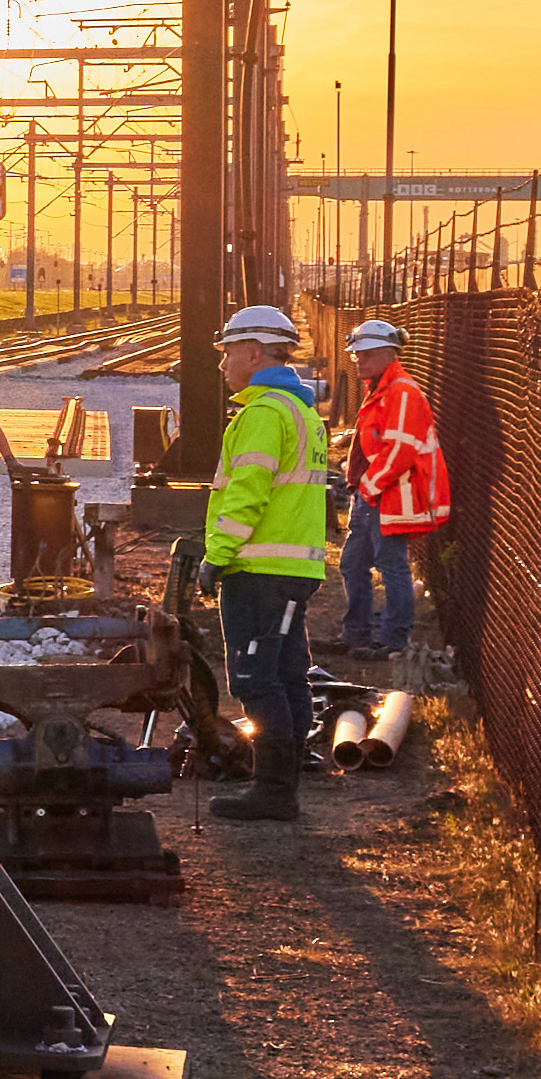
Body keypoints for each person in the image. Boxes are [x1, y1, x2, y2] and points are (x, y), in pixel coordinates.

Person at [204, 301, 337, 822]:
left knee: (256, 679)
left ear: (255, 353)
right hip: (294, 569)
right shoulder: (303, 413)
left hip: (259, 572)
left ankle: (274, 793)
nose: (222, 363)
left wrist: (216, 556)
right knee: (288, 677)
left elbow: (247, 494)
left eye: (228, 352)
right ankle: (283, 787)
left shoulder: (263, 414)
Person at [334, 315, 448, 663]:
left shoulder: (401, 392)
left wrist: (369, 487)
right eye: (357, 355)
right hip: (375, 493)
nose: (359, 361)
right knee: (353, 564)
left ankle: (392, 640)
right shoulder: (383, 388)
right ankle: (357, 633)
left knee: (391, 565)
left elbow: (400, 450)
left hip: (388, 495)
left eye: (366, 355)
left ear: (389, 354)